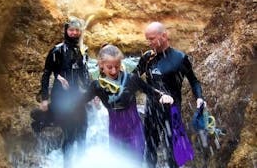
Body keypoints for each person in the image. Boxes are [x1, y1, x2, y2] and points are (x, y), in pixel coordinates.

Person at [76, 44, 174, 164]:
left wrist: (163, 96)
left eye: (117, 66)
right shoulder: (97, 85)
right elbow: (79, 101)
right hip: (115, 133)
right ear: (101, 65)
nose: (114, 70)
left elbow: (150, 91)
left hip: (134, 131)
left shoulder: (131, 79)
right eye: (109, 67)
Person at [133, 22, 206, 168]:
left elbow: (194, 81)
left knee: (174, 153)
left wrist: (199, 97)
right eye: (147, 39)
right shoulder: (147, 58)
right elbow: (132, 78)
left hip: (172, 112)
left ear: (164, 36)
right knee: (150, 150)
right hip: (152, 111)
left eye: (151, 38)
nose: (149, 43)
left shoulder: (180, 58)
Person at [30, 18, 90, 167]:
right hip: (61, 96)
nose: (74, 33)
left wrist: (92, 93)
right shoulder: (57, 50)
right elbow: (46, 74)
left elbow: (85, 74)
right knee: (69, 132)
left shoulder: (82, 51)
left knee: (83, 129)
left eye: (77, 30)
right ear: (66, 31)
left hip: (77, 96)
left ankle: (83, 162)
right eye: (71, 30)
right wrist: (44, 98)